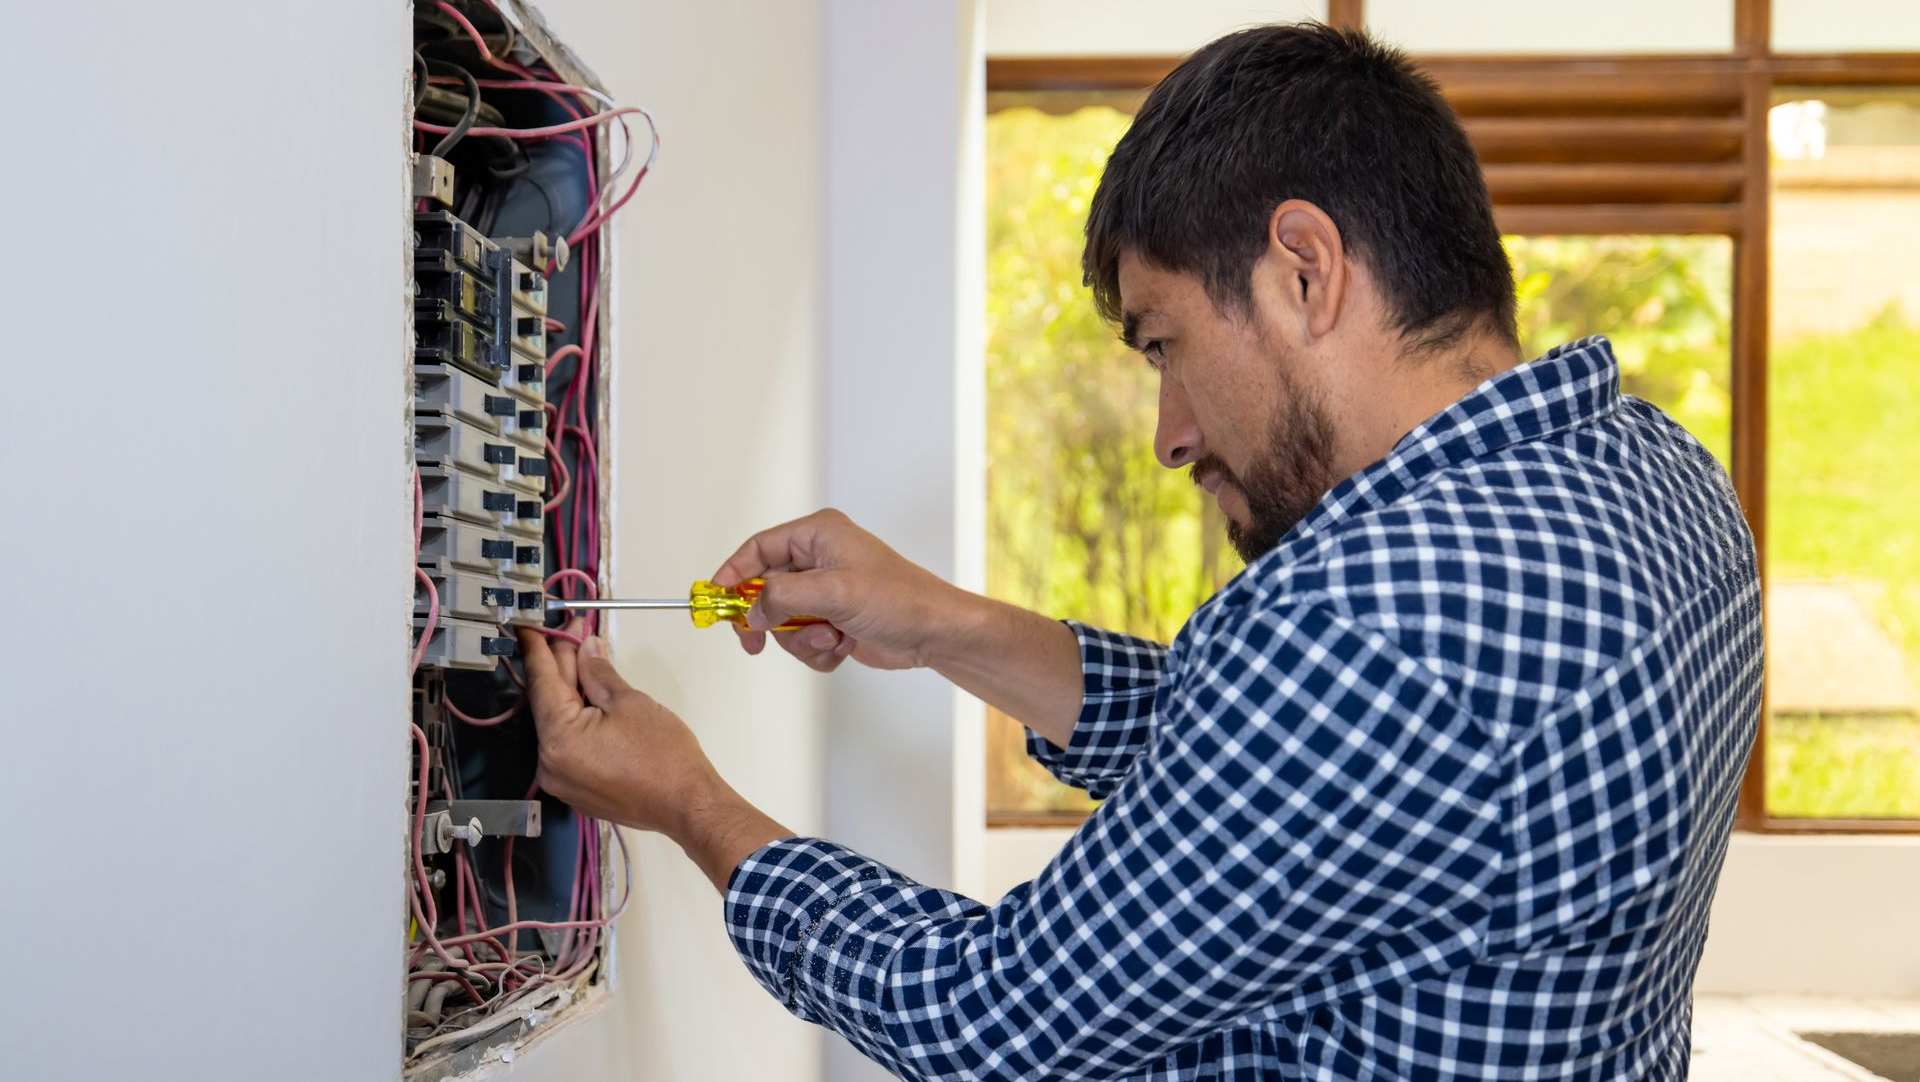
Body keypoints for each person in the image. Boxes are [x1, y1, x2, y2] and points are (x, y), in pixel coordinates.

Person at [516, 21, 1763, 1081]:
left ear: (1305, 269)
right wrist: (945, 623)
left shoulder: (1365, 626)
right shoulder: (1653, 471)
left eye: (1164, 342)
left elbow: (982, 1017)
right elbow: (1281, 763)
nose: (1170, 434)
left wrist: (688, 800)